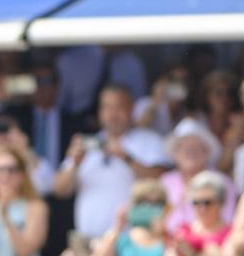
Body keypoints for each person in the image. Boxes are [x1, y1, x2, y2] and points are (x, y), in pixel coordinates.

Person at [56, 85, 169, 242]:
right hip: (89, 241)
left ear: (132, 109)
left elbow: (162, 181)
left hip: (134, 242)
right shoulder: (88, 144)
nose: (113, 114)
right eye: (107, 107)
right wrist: (75, 164)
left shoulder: (149, 141)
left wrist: (126, 157)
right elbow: (60, 190)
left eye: (119, 107)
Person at [162, 121, 233, 232]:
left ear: (206, 152)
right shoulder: (165, 182)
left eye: (196, 148)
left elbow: (227, 222)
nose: (190, 153)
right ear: (175, 153)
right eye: (184, 148)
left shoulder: (222, 182)